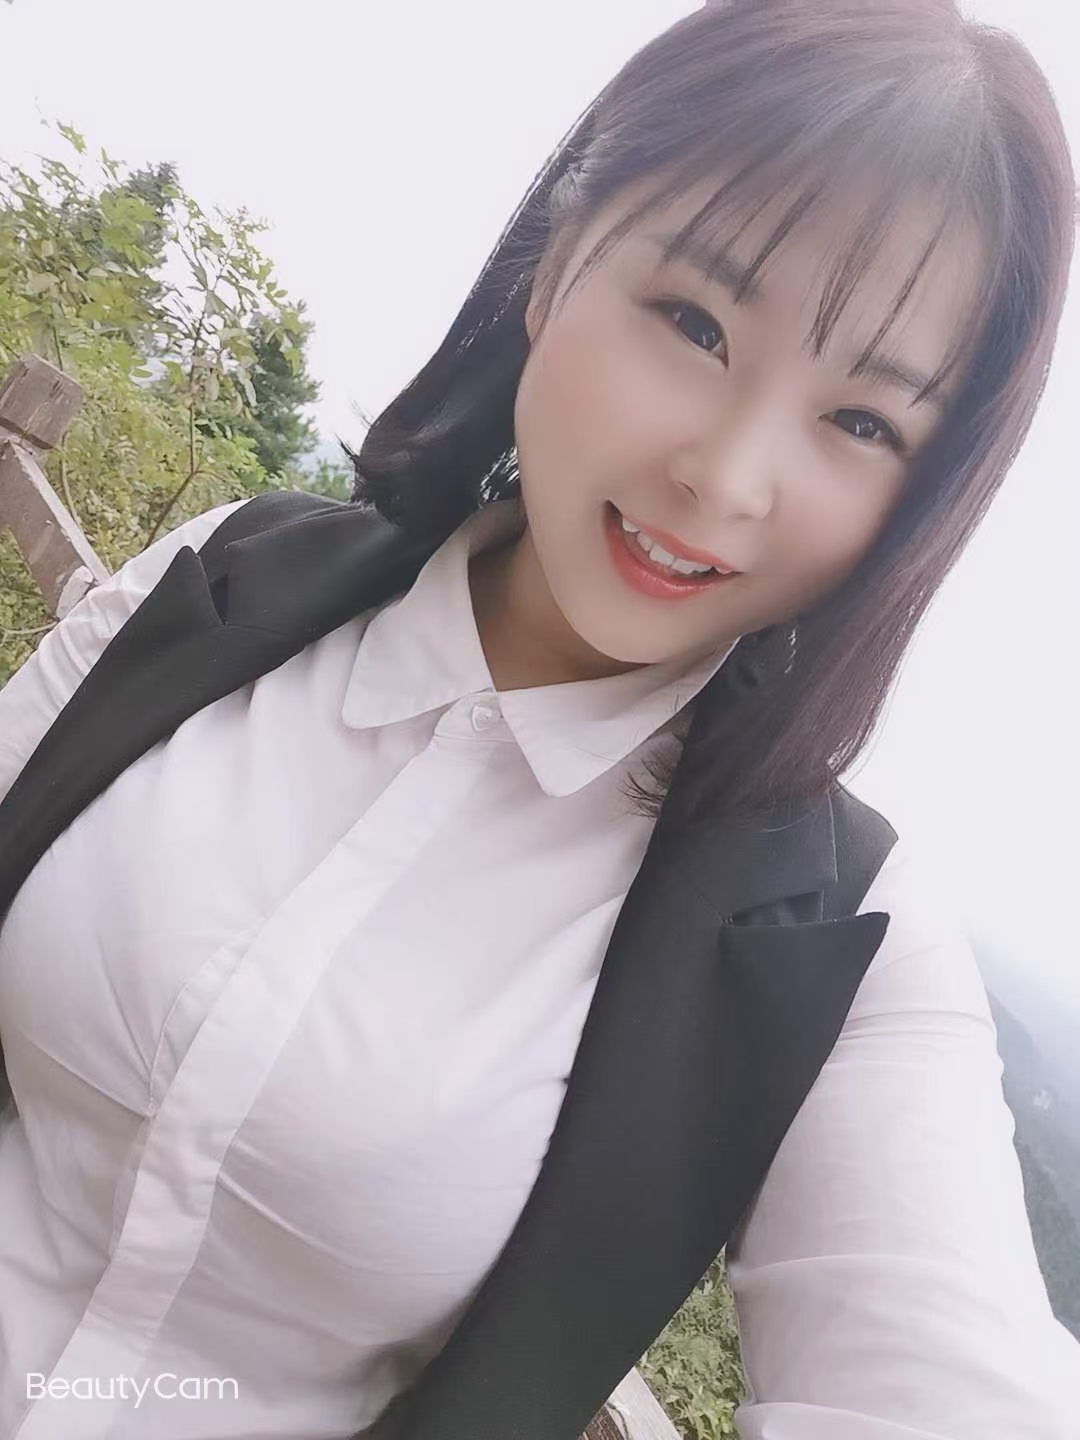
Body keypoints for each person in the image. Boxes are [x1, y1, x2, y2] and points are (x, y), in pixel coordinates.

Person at [0, 1, 1077, 1437]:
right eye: (696, 324)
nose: (727, 479)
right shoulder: (228, 578)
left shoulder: (834, 941)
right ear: (556, 263)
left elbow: (946, 1384)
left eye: (864, 423)